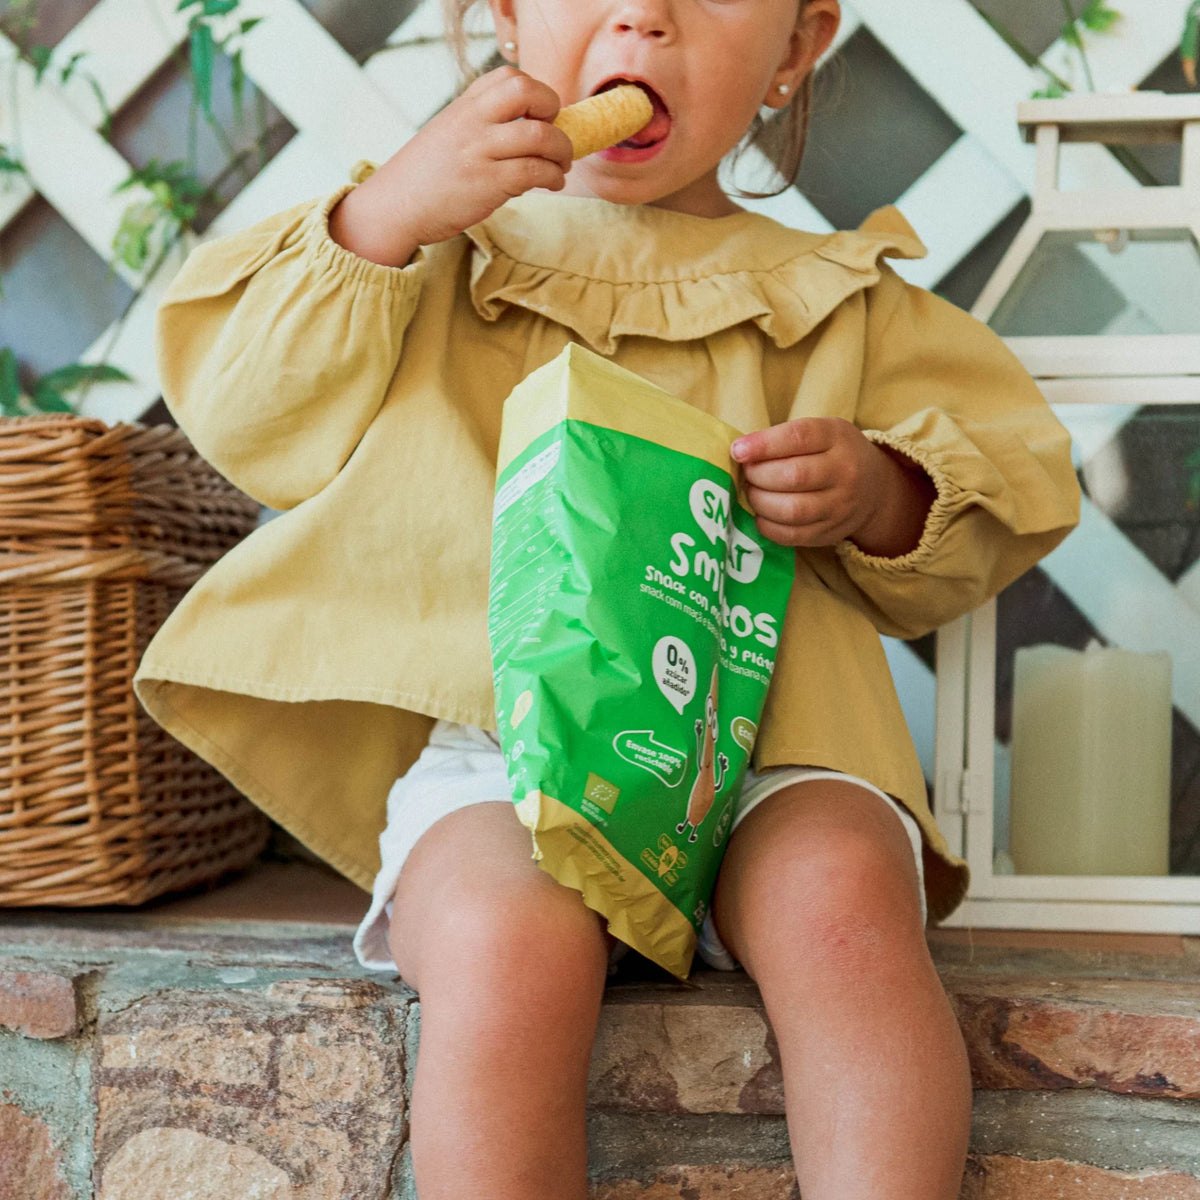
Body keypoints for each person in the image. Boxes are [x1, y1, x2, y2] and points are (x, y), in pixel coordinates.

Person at [135, 0, 1082, 1196]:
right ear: (507, 19)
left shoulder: (840, 296)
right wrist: (379, 216)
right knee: (502, 938)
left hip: (768, 745)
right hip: (502, 747)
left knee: (841, 899)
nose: (644, 15)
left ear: (796, 48)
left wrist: (877, 488)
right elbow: (240, 411)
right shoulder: (435, 246)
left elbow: (1013, 480)